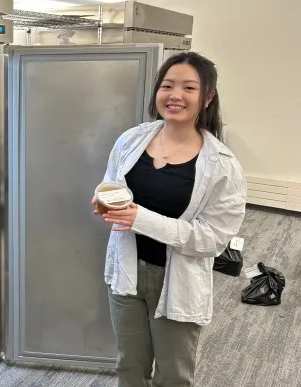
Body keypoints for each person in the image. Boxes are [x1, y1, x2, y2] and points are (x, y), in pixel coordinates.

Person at [92, 52, 247, 387]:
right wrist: (105, 199)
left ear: (207, 97)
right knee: (128, 367)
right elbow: (113, 182)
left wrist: (140, 219)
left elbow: (212, 239)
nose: (175, 95)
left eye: (188, 87)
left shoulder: (222, 165)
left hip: (178, 279)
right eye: (167, 85)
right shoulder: (132, 139)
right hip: (128, 271)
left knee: (173, 376)